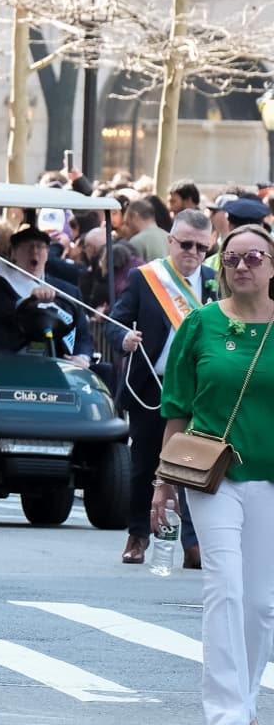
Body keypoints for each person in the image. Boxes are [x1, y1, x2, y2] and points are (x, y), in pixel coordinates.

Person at [151, 222, 274, 725]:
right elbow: (176, 408)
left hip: (270, 477)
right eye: (233, 259)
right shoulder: (199, 325)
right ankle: (225, 714)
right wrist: (162, 480)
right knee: (224, 585)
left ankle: (246, 702)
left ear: (272, 264)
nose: (242, 266)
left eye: (254, 257)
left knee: (261, 602)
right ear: (221, 268)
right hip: (211, 475)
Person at [109, 208, 216, 567]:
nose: (193, 254)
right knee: (144, 465)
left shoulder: (216, 282)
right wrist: (124, 338)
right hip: (153, 385)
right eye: (186, 244)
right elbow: (116, 321)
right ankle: (138, 534)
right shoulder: (146, 278)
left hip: (201, 389)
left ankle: (191, 542)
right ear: (170, 241)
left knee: (192, 465)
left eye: (202, 248)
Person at [0, 225, 84, 356]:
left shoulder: (69, 290)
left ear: (47, 253)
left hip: (58, 362)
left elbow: (83, 335)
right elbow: (3, 313)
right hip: (10, 360)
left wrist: (82, 357)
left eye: (40, 247)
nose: (34, 252)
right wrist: (30, 302)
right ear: (13, 253)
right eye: (27, 247)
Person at [122, 196, 171, 264]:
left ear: (135, 216)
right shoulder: (169, 237)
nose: (127, 228)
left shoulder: (136, 241)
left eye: (127, 223)